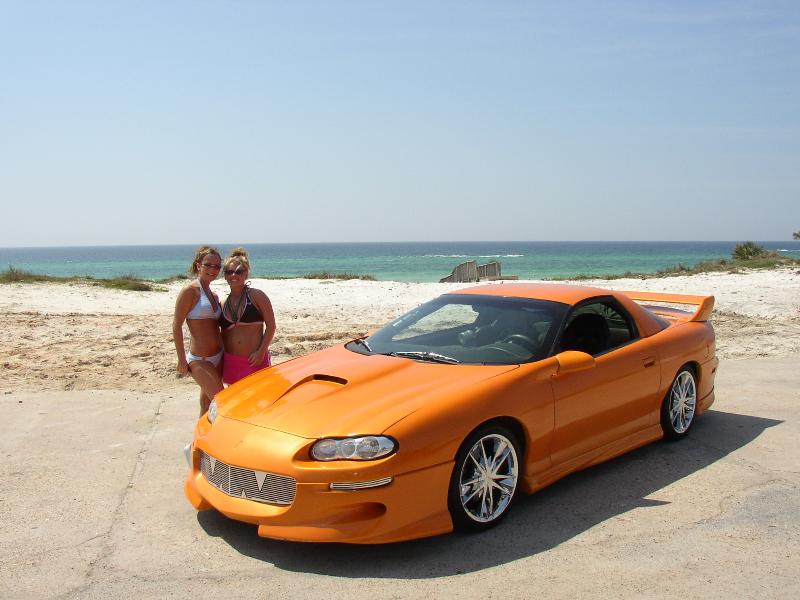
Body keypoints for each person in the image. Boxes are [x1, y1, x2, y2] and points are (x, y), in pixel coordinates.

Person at [172, 246, 224, 416]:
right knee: (222, 402)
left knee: (206, 403)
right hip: (200, 360)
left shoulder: (214, 296)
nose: (213, 269)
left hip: (219, 356)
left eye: (217, 266)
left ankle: (200, 433)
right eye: (208, 265)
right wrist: (181, 360)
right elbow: (176, 325)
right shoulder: (190, 291)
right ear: (198, 265)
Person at [219, 247, 276, 385]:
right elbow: (221, 335)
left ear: (246, 273)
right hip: (231, 362)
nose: (234, 275)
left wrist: (261, 352)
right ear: (225, 275)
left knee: (260, 397)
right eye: (229, 272)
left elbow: (271, 326)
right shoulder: (223, 303)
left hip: (255, 360)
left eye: (239, 271)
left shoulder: (257, 296)